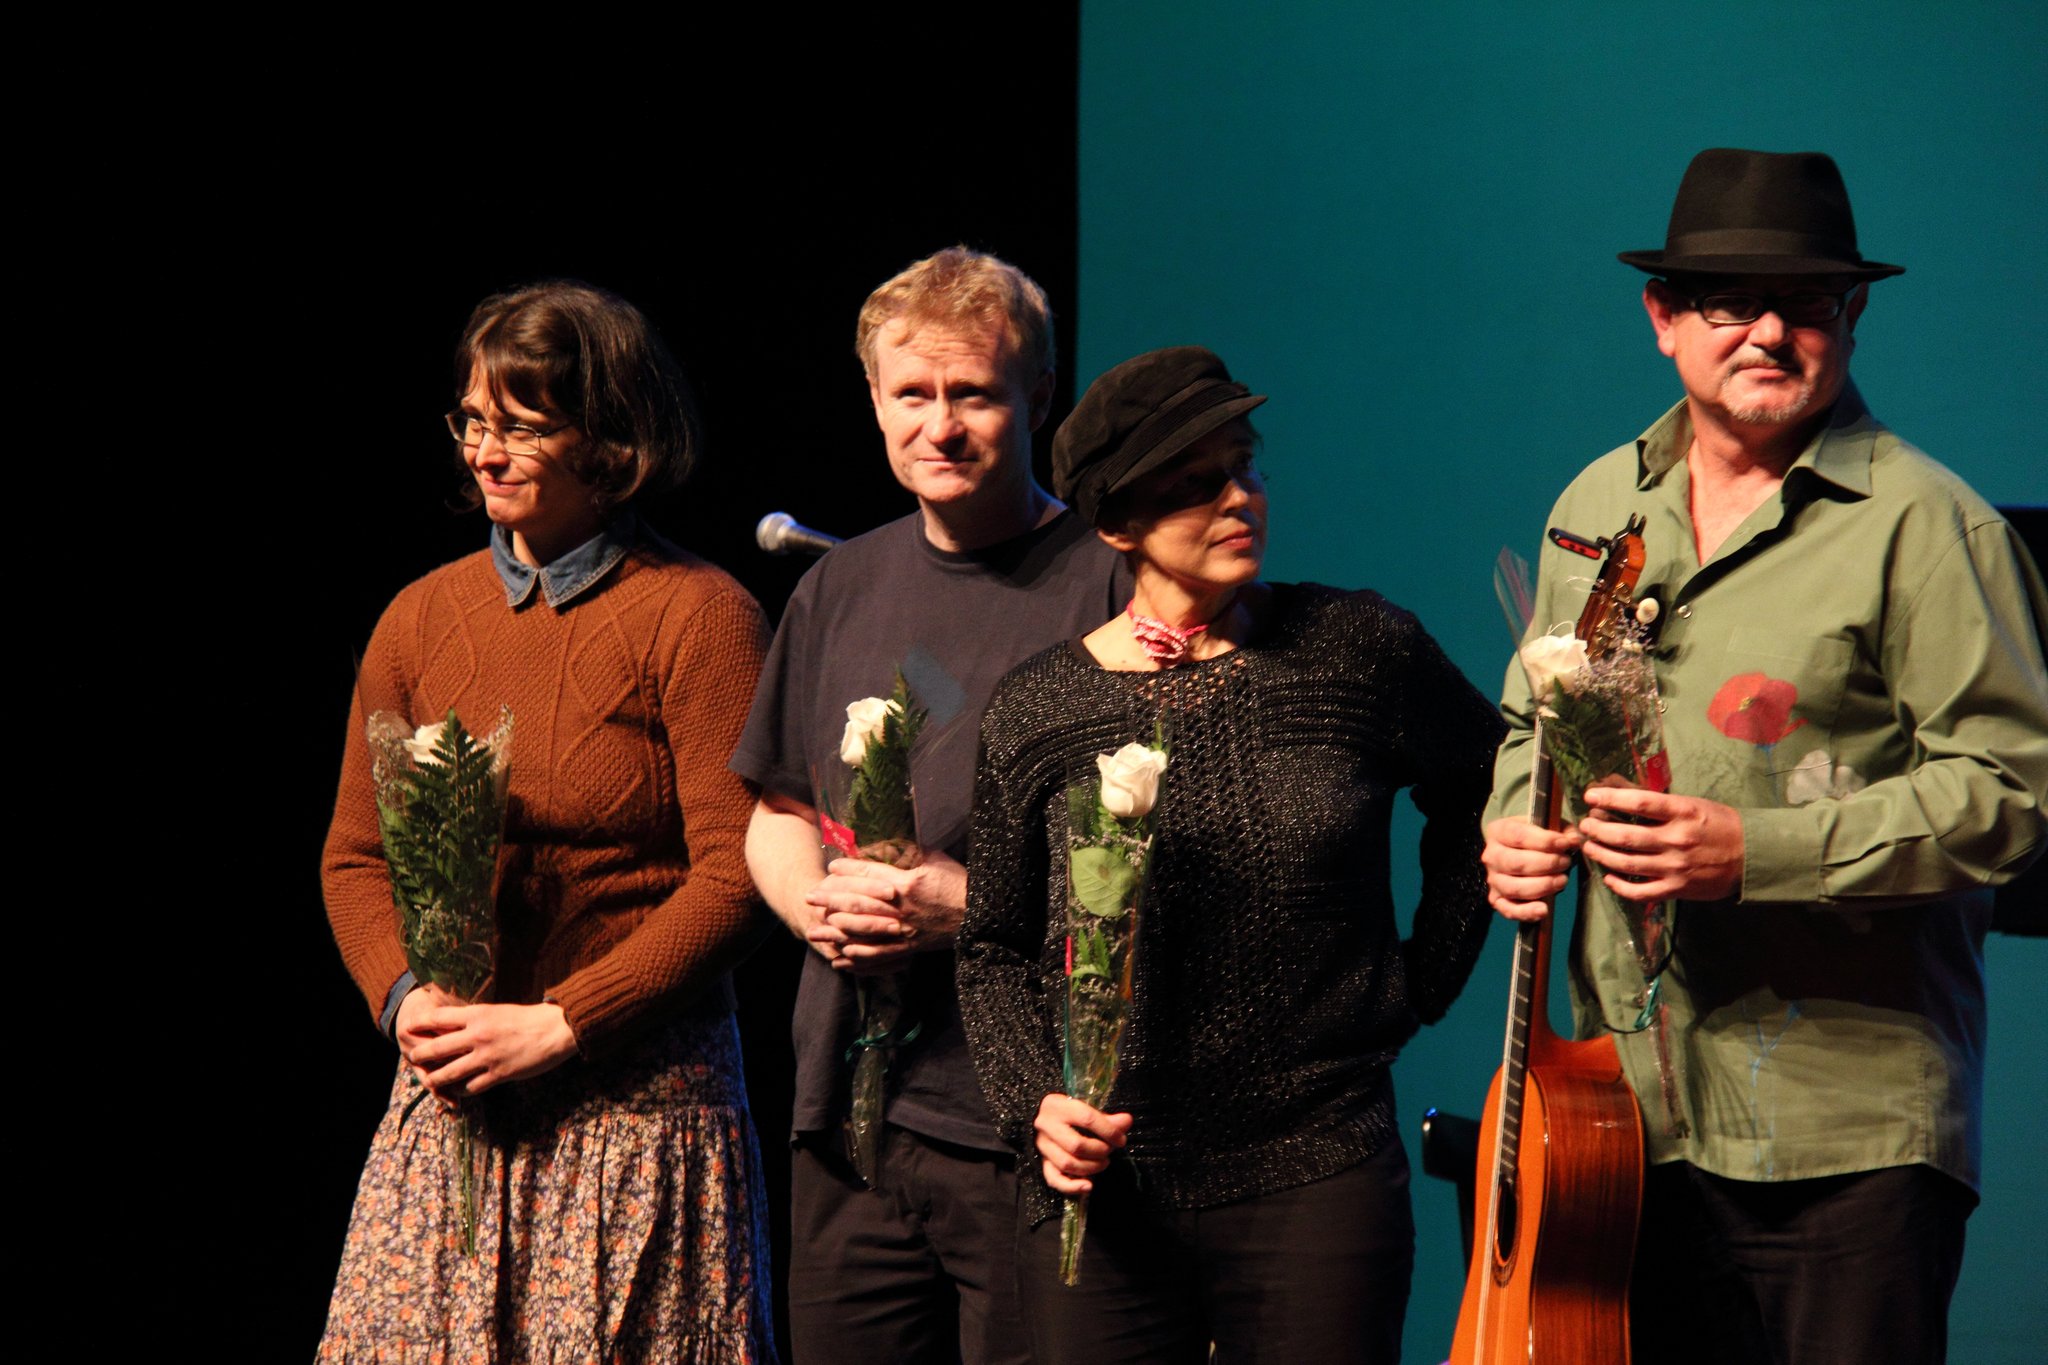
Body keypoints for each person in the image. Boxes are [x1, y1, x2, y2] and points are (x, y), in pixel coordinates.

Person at [1481, 149, 2048, 1365]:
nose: (1767, 333)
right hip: (1620, 1122)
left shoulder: (1928, 526)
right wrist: (1510, 829)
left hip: (1843, 1135)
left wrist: (1757, 850)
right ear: (1663, 321)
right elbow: (1533, 716)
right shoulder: (1599, 504)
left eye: (1804, 305)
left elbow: (2010, 796)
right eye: (1728, 302)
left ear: (1850, 319)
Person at [955, 346, 1503, 1364]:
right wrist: (1038, 1101)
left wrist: (1415, 982)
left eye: (1243, 466)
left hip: (1314, 1162)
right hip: (1106, 1187)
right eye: (1192, 485)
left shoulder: (1353, 647)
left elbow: (1485, 784)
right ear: (1117, 524)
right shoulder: (1039, 708)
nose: (1237, 497)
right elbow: (991, 949)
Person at [320, 280, 778, 1362]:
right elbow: (353, 857)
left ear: (609, 438)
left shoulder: (699, 614)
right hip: (457, 1104)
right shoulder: (421, 618)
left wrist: (564, 1021)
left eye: (522, 425)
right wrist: (403, 1000)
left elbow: (737, 873)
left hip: (633, 1108)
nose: (485, 451)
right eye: (473, 422)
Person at [730, 247, 1128, 1365]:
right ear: (873, 399)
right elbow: (776, 806)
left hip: (1019, 1120)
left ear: (1038, 396)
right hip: (847, 1115)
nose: (939, 427)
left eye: (973, 395)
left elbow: (1155, 855)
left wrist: (974, 906)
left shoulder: (1104, 584)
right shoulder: (837, 586)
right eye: (912, 395)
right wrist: (809, 907)